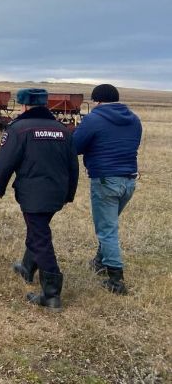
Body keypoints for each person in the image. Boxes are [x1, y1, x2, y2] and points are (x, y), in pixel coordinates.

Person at [0, 88, 79, 311]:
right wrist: (69, 193)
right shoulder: (62, 130)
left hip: (32, 192)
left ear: (25, 106)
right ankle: (27, 267)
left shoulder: (19, 129)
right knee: (37, 227)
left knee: (40, 235)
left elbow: (4, 162)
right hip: (56, 192)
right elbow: (73, 165)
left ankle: (51, 293)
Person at [73, 84, 142, 295]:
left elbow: (74, 147)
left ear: (97, 101)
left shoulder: (94, 119)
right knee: (109, 225)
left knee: (107, 230)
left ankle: (116, 278)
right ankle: (100, 262)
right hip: (129, 180)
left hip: (105, 180)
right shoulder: (134, 119)